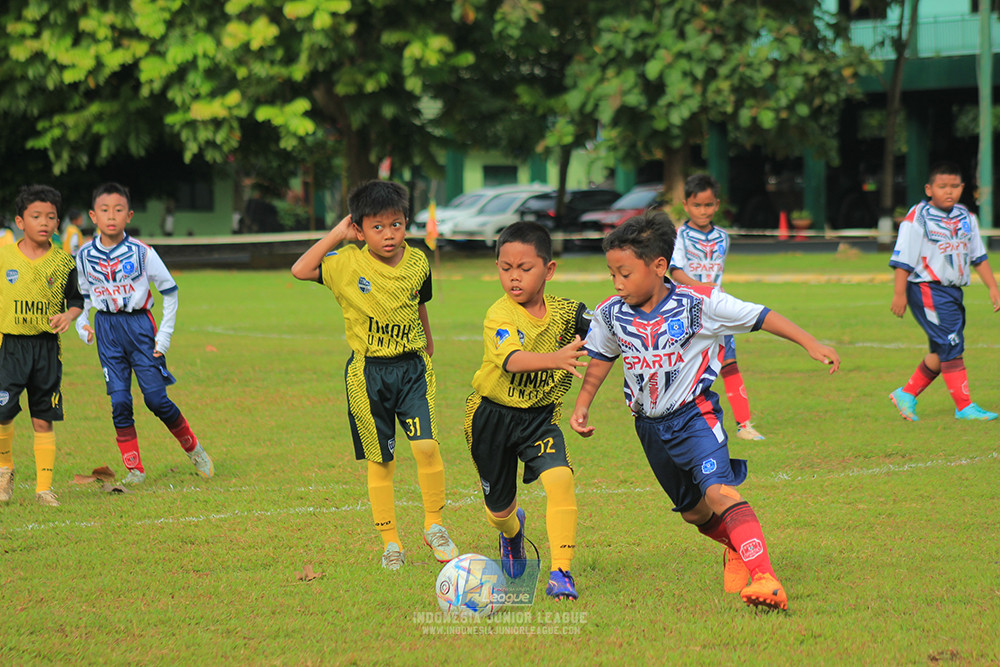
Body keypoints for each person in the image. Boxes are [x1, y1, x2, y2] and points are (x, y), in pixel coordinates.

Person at [570, 211, 840, 611]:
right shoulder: (612, 313)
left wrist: (809, 342)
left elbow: (761, 316)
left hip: (696, 417)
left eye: (625, 273)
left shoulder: (700, 304)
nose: (617, 283)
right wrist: (582, 405)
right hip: (648, 426)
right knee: (695, 513)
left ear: (659, 267)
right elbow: (601, 359)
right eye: (612, 274)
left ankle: (766, 577)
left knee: (718, 492)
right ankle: (735, 547)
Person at [290, 179, 458, 570]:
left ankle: (434, 526)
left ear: (406, 224)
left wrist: (428, 343)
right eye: (377, 227)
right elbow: (301, 269)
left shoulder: (418, 261)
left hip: (413, 368)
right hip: (369, 374)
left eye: (396, 224)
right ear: (359, 228)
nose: (388, 235)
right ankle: (391, 544)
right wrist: (337, 233)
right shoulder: (347, 262)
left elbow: (420, 303)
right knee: (381, 461)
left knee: (426, 447)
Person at [465, 222, 589, 601]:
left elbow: (608, 334)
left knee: (561, 480)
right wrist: (557, 357)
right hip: (491, 418)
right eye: (505, 268)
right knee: (498, 511)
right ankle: (512, 532)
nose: (513, 277)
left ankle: (561, 572)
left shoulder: (568, 313)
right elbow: (512, 360)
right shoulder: (499, 315)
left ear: (548, 270)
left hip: (539, 418)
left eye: (524, 268)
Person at [74, 182, 214, 484]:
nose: (111, 216)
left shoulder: (142, 253)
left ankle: (194, 447)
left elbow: (170, 292)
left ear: (129, 215)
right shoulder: (83, 256)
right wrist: (81, 323)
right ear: (92, 216)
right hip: (107, 329)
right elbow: (82, 297)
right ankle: (134, 469)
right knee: (120, 401)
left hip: (140, 328)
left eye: (119, 210)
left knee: (155, 399)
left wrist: (164, 336)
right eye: (104, 210)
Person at [888, 162, 1000, 421]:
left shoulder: (966, 217)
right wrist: (899, 293)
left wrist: (993, 287)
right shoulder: (919, 217)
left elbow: (978, 257)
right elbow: (903, 258)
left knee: (941, 351)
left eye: (954, 186)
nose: (948, 191)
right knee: (952, 346)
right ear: (929, 189)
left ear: (962, 188)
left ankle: (906, 393)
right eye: (942, 186)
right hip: (927, 289)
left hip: (953, 293)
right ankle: (964, 406)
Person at [0, 185, 84, 506]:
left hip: (46, 349)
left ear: (58, 222)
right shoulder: (4, 257)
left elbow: (76, 301)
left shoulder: (64, 262)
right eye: (36, 216)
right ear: (20, 221)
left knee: (43, 418)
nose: (44, 222)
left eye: (50, 217)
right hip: (10, 347)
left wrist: (69, 315)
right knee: (3, 413)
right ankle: (4, 471)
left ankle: (43, 488)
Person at [670, 174, 764, 440]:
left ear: (717, 205)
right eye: (697, 205)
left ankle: (744, 425)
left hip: (717, 308)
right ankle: (682, 420)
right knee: (686, 366)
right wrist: (702, 288)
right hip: (688, 309)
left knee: (729, 363)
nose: (703, 211)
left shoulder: (723, 237)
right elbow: (675, 271)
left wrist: (713, 292)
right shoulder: (679, 236)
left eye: (708, 205)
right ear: (686, 205)